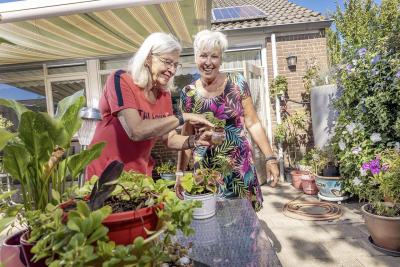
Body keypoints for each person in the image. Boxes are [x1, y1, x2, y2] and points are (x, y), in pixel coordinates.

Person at [175, 30, 279, 211]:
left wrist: (270, 158)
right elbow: (186, 135)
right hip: (205, 171)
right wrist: (180, 172)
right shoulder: (188, 93)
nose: (208, 62)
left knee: (244, 221)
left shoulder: (237, 83)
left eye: (214, 56)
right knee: (210, 219)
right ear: (195, 58)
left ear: (221, 59)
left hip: (239, 167)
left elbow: (253, 122)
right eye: (203, 56)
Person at [86, 32, 213, 179]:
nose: (172, 70)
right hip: (104, 176)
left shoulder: (163, 95)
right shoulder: (120, 80)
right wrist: (184, 117)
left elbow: (170, 138)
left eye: (175, 65)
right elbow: (136, 130)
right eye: (167, 62)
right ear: (148, 58)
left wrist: (196, 140)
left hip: (139, 176)